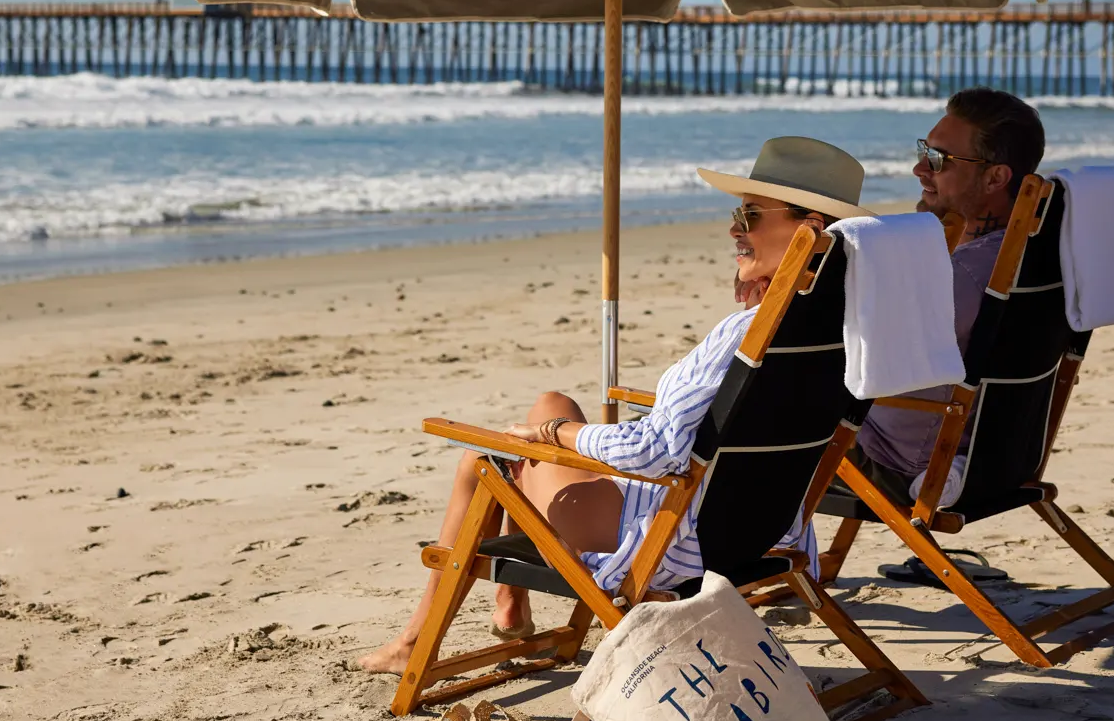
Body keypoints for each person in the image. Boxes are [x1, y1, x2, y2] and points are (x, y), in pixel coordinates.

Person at [356, 137, 873, 675]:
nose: (734, 229)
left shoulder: (751, 335)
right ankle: (510, 608)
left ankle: (418, 642)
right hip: (763, 527)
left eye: (748, 214)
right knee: (551, 400)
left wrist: (555, 435)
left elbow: (654, 450)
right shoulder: (848, 328)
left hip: (675, 541)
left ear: (808, 228)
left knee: (484, 462)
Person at [846, 87, 1047, 507]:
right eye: (924, 151)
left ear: (996, 177)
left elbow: (854, 355)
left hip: (890, 460)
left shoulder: (966, 277)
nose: (920, 168)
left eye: (938, 160)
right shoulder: (1033, 261)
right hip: (994, 460)